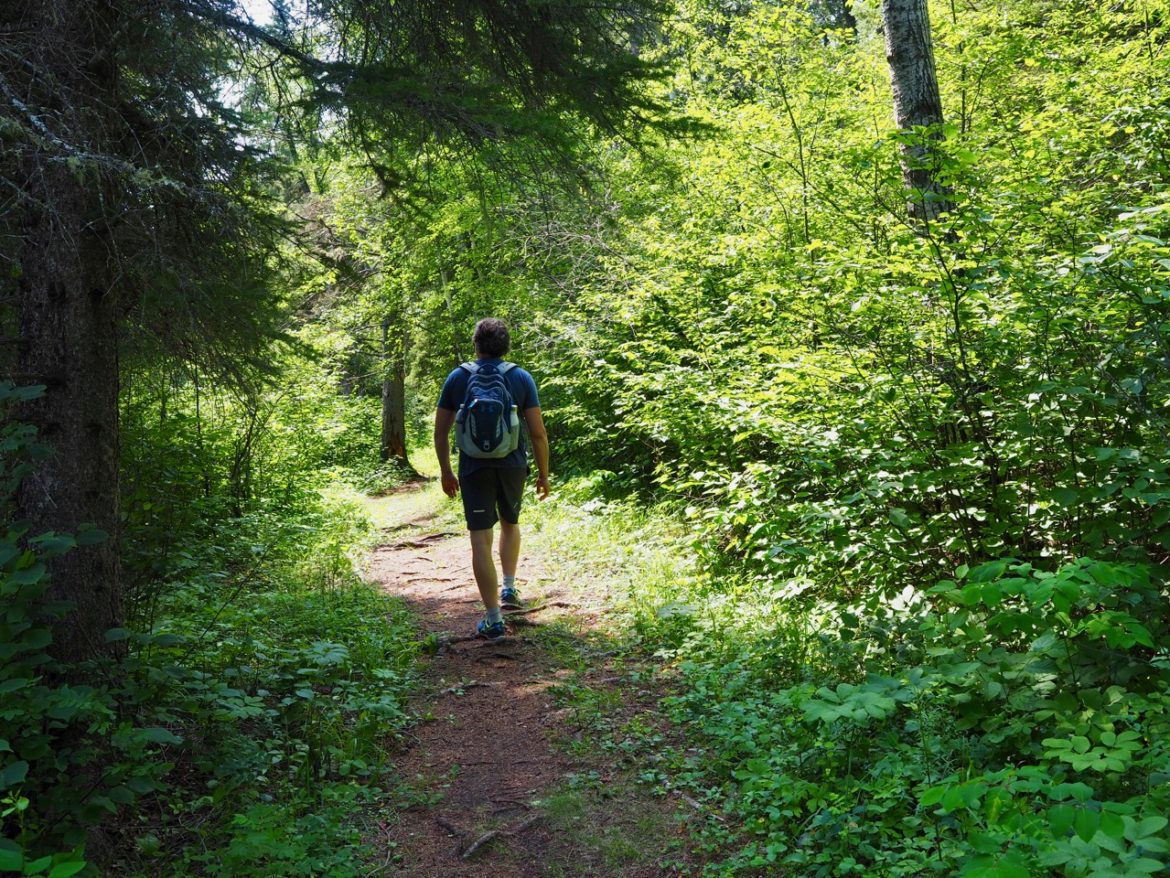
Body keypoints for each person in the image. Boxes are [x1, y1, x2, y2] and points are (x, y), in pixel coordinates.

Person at [434, 318, 551, 639]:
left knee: (480, 538)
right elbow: (538, 434)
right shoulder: (521, 377)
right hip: (512, 464)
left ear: (476, 344)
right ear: (505, 344)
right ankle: (510, 589)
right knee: (511, 523)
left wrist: (446, 471)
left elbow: (441, 431)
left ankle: (493, 619)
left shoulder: (458, 377)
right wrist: (543, 474)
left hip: (474, 467)